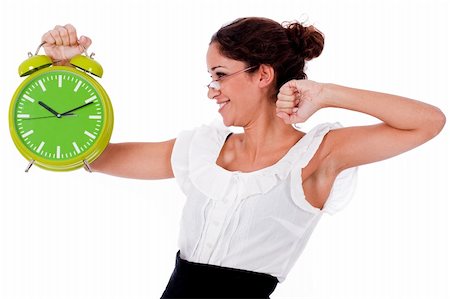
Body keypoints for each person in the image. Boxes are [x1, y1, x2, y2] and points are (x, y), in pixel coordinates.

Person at [41, 18, 445, 298]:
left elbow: (428, 122)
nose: (211, 89)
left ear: (263, 75)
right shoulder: (201, 150)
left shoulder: (318, 155)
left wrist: (326, 93)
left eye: (220, 75)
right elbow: (88, 154)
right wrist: (65, 73)